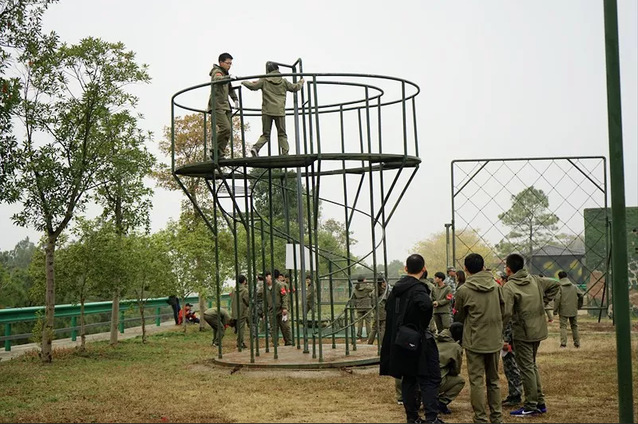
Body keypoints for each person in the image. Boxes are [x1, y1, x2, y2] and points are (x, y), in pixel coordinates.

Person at [380, 254, 442, 424]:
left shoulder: (396, 289)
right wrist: (420, 324)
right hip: (418, 338)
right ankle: (432, 417)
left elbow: (388, 309)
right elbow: (426, 305)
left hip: (401, 339)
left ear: (406, 268)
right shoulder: (419, 289)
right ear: (424, 269)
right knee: (430, 377)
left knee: (409, 377)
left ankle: (412, 417)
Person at [502, 253, 559, 417]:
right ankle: (540, 402)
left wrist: (500, 331)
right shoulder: (535, 280)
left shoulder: (509, 286)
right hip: (538, 330)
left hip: (522, 333)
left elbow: (506, 312)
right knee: (531, 366)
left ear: (508, 269)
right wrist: (542, 302)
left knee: (526, 368)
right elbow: (556, 285)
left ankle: (530, 405)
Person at [454, 253, 504, 424]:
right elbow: (504, 311)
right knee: (494, 380)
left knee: (476, 382)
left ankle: (480, 418)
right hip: (494, 339)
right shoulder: (496, 286)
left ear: (466, 269)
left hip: (474, 340)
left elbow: (459, 316)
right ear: (483, 267)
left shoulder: (463, 290)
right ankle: (497, 417)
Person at [242, 61, 304, 157]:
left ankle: (256, 148)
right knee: (282, 134)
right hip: (279, 111)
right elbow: (294, 88)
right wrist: (301, 82)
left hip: (267, 111)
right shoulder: (283, 81)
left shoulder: (264, 80)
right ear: (277, 70)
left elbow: (252, 87)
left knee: (265, 134)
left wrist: (243, 81)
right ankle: (285, 152)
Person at [207, 52, 239, 159]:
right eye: (227, 63)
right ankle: (214, 149)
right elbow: (218, 80)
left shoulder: (225, 74)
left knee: (228, 131)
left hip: (225, 106)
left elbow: (230, 88)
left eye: (230, 64)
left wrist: (235, 99)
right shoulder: (217, 72)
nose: (229, 65)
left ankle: (219, 153)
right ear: (221, 62)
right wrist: (228, 77)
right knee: (225, 128)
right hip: (217, 106)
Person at [500, 274, 524, 407]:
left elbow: (508, 319)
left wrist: (506, 340)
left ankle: (515, 394)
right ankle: (514, 393)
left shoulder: (508, 297)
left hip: (510, 337)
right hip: (515, 335)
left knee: (512, 367)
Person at [437, 322, 465, 415]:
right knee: (460, 381)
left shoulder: (433, 338)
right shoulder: (455, 347)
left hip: (419, 380)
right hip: (436, 381)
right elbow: (456, 370)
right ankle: (442, 402)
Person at [553, 270, 584, 348]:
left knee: (563, 326)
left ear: (559, 277)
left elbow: (557, 299)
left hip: (563, 310)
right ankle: (577, 343)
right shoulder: (574, 287)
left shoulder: (560, 287)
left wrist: (555, 310)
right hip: (573, 309)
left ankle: (563, 343)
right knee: (574, 326)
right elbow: (581, 295)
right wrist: (579, 305)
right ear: (567, 277)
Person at [263, 271, 293, 346]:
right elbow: (265, 301)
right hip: (272, 311)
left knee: (285, 327)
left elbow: (284, 296)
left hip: (281, 310)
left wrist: (285, 307)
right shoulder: (265, 288)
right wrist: (264, 312)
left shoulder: (279, 285)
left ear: (271, 276)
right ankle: (275, 344)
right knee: (273, 328)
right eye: (264, 277)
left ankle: (289, 342)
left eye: (267, 276)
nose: (266, 278)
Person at [231, 275, 250, 349]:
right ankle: (240, 343)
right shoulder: (245, 290)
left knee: (238, 327)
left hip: (235, 311)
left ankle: (240, 342)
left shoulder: (234, 290)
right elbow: (247, 301)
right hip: (242, 311)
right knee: (241, 328)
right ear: (244, 281)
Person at [368, 275, 388, 345]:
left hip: (376, 311)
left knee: (374, 328)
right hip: (383, 312)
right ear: (382, 283)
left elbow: (372, 302)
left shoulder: (374, 291)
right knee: (383, 328)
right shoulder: (384, 292)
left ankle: (370, 342)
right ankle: (381, 343)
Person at [352, 275, 374, 340]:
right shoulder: (366, 287)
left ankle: (359, 336)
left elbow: (353, 298)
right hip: (367, 306)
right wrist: (368, 284)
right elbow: (372, 288)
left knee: (359, 322)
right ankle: (369, 336)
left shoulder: (356, 288)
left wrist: (356, 306)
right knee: (368, 322)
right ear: (364, 280)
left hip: (359, 307)